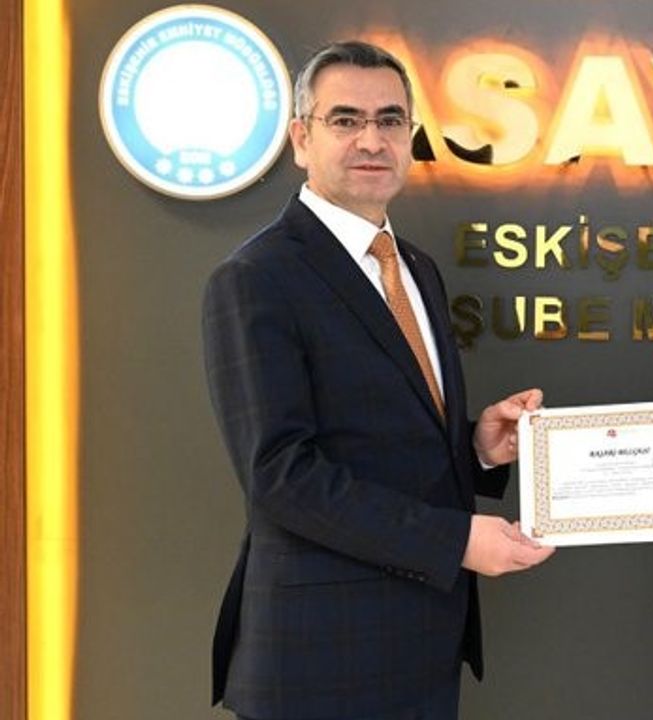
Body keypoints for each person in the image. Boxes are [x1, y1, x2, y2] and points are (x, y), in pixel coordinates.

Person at [202, 41, 554, 720]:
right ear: (301, 139)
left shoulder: (416, 268)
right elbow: (281, 477)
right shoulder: (256, 279)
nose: (372, 139)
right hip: (318, 664)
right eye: (345, 120)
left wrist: (476, 447)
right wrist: (457, 541)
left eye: (390, 120)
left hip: (422, 648)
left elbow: (387, 437)